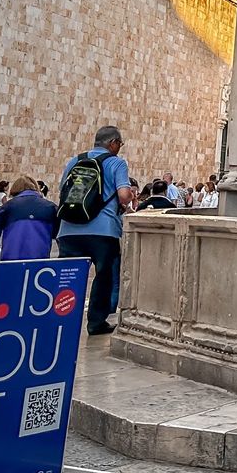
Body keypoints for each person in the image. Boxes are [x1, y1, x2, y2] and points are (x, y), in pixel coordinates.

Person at [56, 125, 134, 336]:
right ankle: (96, 322)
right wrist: (128, 199)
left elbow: (62, 190)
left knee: (68, 277)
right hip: (103, 229)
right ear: (113, 143)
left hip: (69, 229)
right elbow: (124, 195)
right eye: (120, 144)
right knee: (103, 276)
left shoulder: (75, 160)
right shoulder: (116, 163)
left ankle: (61, 318)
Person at [0, 176, 57, 260]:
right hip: (40, 256)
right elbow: (56, 231)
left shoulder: (9, 206)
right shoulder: (50, 207)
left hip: (12, 257)